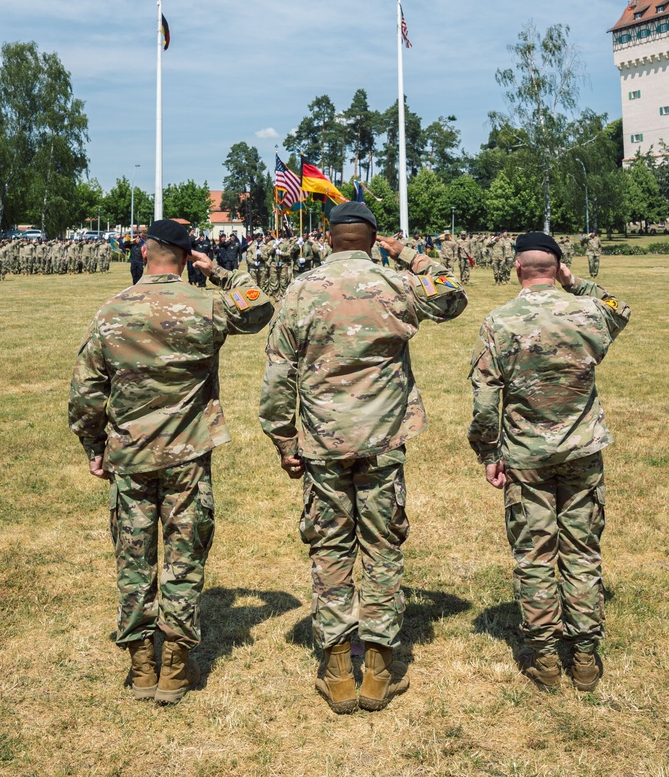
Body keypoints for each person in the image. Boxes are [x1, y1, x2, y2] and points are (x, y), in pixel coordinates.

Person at [259, 202, 468, 714]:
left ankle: (336, 671)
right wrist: (411, 256)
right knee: (381, 548)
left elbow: (278, 374)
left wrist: (285, 441)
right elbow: (453, 295)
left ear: (329, 239)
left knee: (330, 550)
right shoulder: (396, 284)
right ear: (373, 240)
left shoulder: (302, 288)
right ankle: (376, 671)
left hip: (322, 442)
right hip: (381, 441)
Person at [69, 219, 273, 704]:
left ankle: (142, 664)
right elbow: (259, 308)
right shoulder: (205, 305)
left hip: (131, 454)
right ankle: (176, 665)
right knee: (184, 558)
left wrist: (94, 446)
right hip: (187, 456)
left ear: (144, 251)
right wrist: (222, 272)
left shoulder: (112, 310)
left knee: (133, 559)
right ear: (187, 257)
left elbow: (86, 393)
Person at [467, 232, 630, 694]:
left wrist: (488, 452)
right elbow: (621, 307)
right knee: (581, 551)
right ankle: (583, 656)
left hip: (526, 457)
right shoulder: (589, 311)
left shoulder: (499, 320)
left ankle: (543, 656)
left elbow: (484, 400)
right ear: (557, 267)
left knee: (534, 554)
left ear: (517, 268)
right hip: (581, 452)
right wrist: (575, 283)